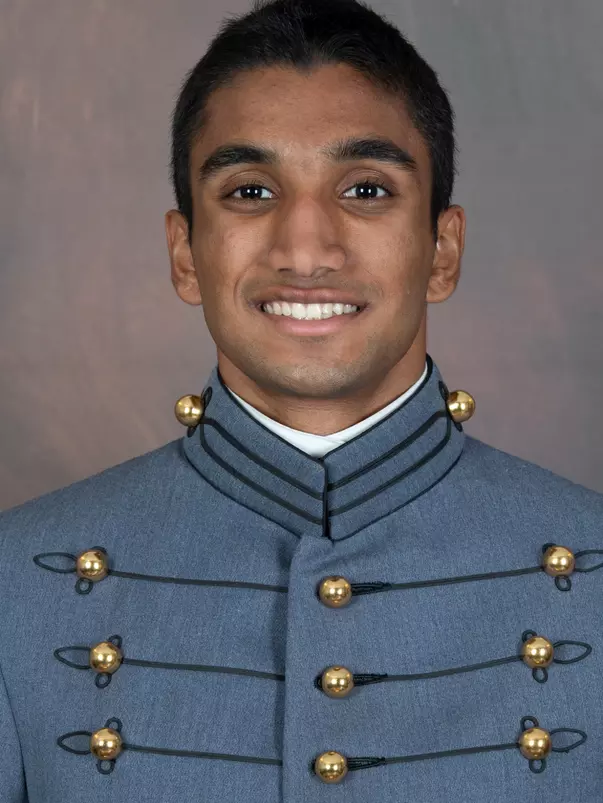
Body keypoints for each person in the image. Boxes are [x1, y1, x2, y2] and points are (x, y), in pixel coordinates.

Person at [1, 0, 602, 799]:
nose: (305, 250)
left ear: (441, 250)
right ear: (185, 255)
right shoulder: (17, 580)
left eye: (365, 188)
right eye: (250, 190)